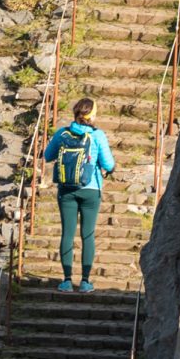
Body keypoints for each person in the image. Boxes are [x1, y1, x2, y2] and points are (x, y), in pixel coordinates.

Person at [44, 96, 115, 293]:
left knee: (67, 233)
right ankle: (85, 281)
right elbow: (109, 164)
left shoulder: (62, 133)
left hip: (66, 189)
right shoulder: (97, 135)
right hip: (91, 189)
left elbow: (47, 155)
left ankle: (66, 280)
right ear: (92, 115)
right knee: (88, 234)